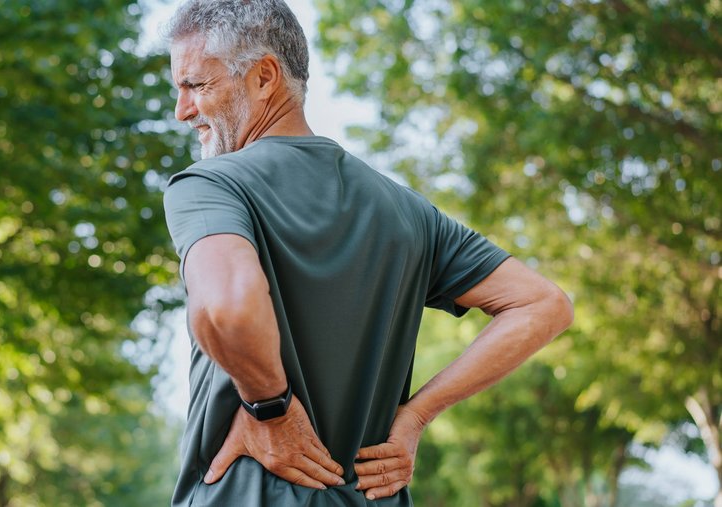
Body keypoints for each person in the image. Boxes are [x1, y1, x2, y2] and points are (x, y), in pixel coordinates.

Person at [161, 1, 574, 505]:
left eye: (196, 86)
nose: (182, 110)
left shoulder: (210, 186)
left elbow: (225, 307)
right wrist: (416, 415)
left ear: (264, 77)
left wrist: (271, 409)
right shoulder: (409, 212)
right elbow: (543, 304)